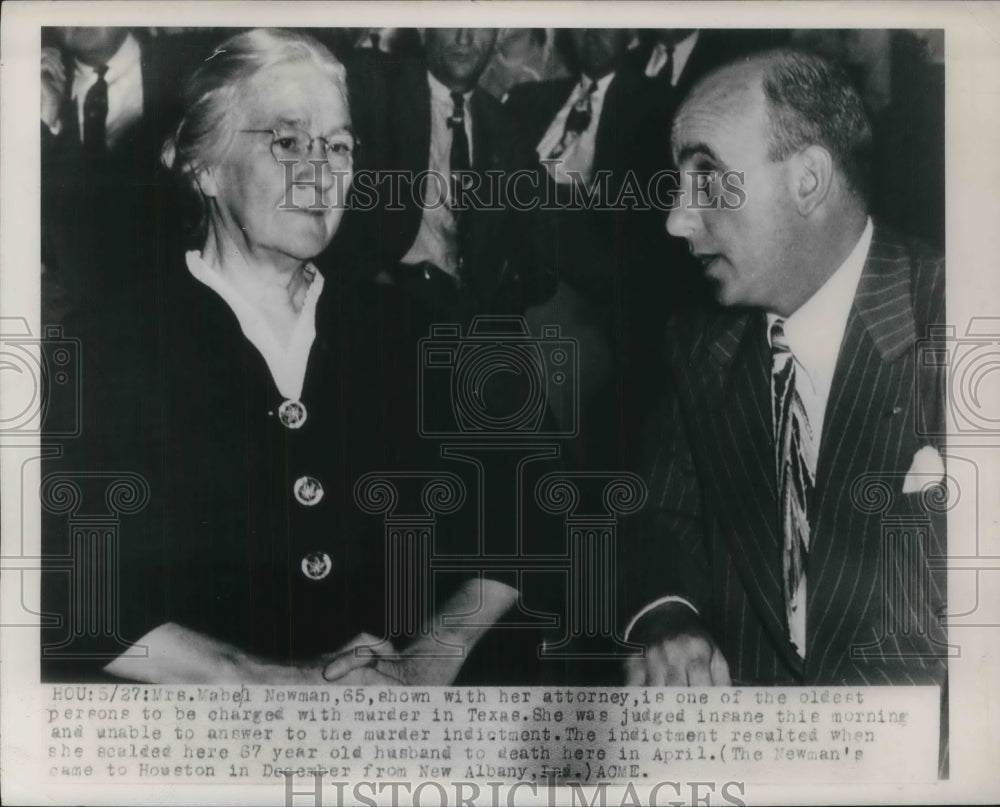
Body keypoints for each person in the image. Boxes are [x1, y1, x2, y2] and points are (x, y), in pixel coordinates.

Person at [41, 28, 519, 685]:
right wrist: (254, 677)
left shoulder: (407, 331)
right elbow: (58, 583)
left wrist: (430, 657)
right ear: (201, 164)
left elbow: (528, 510)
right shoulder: (106, 347)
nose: (321, 171)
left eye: (340, 145)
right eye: (288, 141)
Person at [621, 49, 947, 696]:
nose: (677, 219)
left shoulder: (962, 322)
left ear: (808, 179)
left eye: (707, 180)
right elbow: (658, 512)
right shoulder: (702, 344)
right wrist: (667, 614)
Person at [329, 28, 523, 323]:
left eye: (480, 22)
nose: (464, 37)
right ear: (423, 27)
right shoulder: (373, 83)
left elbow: (543, 220)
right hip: (385, 297)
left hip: (466, 311)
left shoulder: (504, 125)